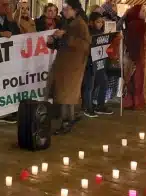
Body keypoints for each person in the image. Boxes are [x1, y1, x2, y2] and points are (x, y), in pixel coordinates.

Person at [47, 0, 90, 135]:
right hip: (63, 64)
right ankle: (65, 119)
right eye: (63, 9)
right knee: (62, 93)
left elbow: (85, 44)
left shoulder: (81, 24)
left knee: (67, 95)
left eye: (67, 9)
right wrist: (52, 41)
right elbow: (62, 43)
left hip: (73, 65)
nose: (64, 11)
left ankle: (67, 122)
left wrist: (65, 36)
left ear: (75, 10)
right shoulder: (67, 22)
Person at [82, 12, 113, 118]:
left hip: (100, 62)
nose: (100, 24)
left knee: (104, 82)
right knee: (89, 86)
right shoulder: (88, 33)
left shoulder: (102, 32)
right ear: (91, 22)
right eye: (98, 22)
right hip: (90, 62)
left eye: (101, 22)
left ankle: (100, 105)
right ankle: (87, 107)